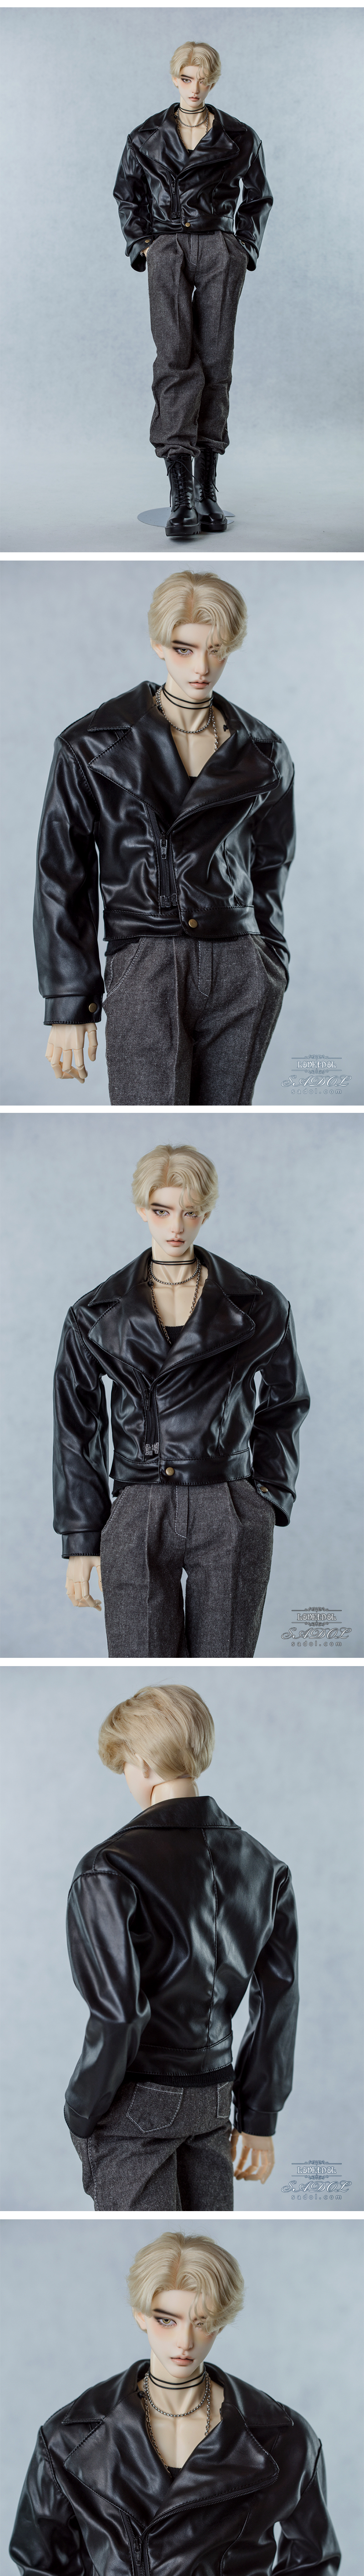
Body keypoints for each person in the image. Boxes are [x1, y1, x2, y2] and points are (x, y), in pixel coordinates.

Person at [10, 2230, 340, 2576]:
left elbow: (312, 2558)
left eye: (202, 2320)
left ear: (222, 2321)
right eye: (167, 2319)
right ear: (140, 2315)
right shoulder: (71, 2435)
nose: (184, 2340)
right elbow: (42, 2559)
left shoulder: (281, 2435)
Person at [35, 569, 295, 1107]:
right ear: (158, 644)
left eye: (216, 650)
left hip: (241, 962)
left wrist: (269, 958)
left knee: (226, 1117)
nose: (201, 667)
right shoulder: (91, 744)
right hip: (146, 960)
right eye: (184, 648)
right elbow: (63, 875)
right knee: (146, 1112)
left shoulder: (265, 751)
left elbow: (271, 862)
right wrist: (69, 1000)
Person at [53, 1139, 310, 1658]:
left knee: (226, 1662)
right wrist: (81, 1537)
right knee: (137, 1663)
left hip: (229, 1499)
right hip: (137, 1503)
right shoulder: (93, 1313)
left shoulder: (259, 1304)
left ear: (206, 1214)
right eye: (162, 1210)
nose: (176, 1227)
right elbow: (76, 1425)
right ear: (140, 1210)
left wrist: (266, 1496)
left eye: (190, 1212)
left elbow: (287, 1402)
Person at [65, 1682, 299, 2211]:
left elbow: (120, 2014)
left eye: (125, 1765)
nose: (128, 1779)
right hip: (215, 2098)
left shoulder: (108, 1867)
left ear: (144, 1762)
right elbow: (278, 2000)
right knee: (202, 2237)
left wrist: (81, 2110)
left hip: (135, 2100)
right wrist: (258, 2118)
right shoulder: (266, 1868)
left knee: (149, 2240)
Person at [113, 42, 273, 538]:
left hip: (218, 247)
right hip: (168, 249)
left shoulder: (239, 136)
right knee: (175, 357)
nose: (194, 87)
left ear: (213, 80)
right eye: (186, 78)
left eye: (203, 79)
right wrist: (145, 245)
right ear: (174, 78)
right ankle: (180, 494)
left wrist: (242, 245)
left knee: (216, 360)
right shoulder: (145, 137)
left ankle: (207, 490)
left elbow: (258, 197)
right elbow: (127, 195)